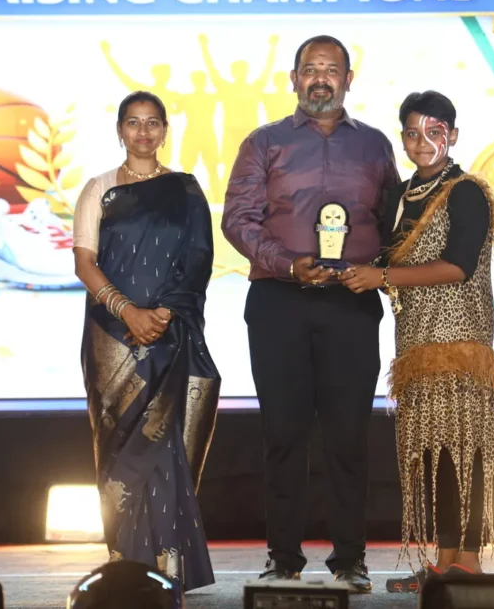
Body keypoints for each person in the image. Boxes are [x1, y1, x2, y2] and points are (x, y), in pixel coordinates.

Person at [222, 35, 400, 593]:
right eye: (310, 69)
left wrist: (374, 267)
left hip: (351, 302)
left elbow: (394, 224)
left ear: (349, 79)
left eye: (331, 69)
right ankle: (283, 559)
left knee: (349, 436)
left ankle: (350, 560)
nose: (320, 78)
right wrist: (287, 264)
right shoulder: (263, 142)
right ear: (294, 79)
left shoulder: (375, 146)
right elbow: (237, 219)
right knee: (284, 434)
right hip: (280, 301)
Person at [339, 90, 494, 591]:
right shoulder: (401, 195)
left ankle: (469, 562)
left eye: (434, 132)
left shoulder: (466, 191)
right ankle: (443, 561)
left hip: (459, 340)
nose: (422, 141)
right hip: (414, 341)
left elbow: (458, 266)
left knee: (464, 450)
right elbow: (382, 258)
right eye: (413, 133)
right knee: (433, 455)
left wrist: (381, 276)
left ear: (452, 135)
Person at [73, 91, 221, 594]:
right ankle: (124, 568)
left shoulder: (186, 190)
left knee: (162, 449)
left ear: (164, 130)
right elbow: (85, 263)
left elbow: (198, 260)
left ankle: (166, 570)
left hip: (169, 334)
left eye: (152, 122)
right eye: (133, 123)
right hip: (111, 338)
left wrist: (163, 314)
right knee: (119, 452)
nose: (142, 132)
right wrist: (128, 312)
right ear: (120, 130)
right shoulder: (99, 189)